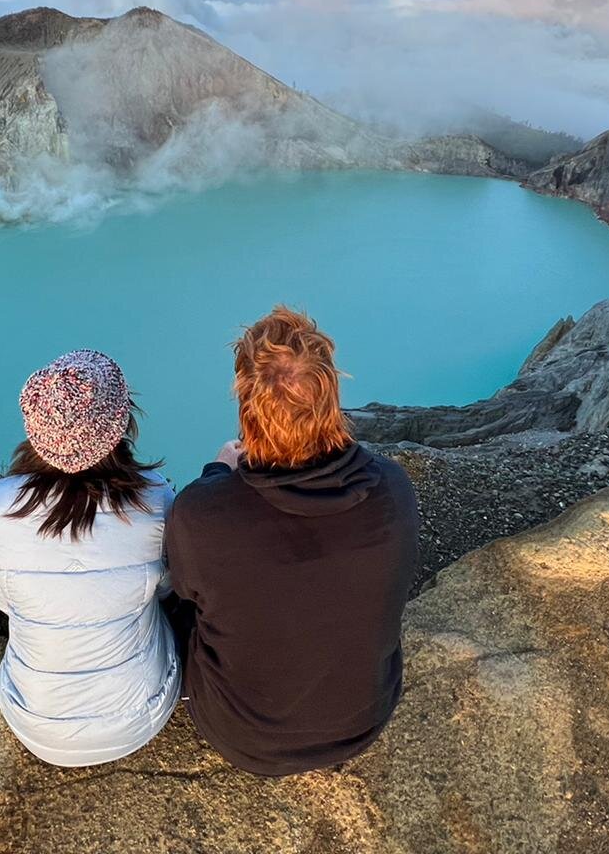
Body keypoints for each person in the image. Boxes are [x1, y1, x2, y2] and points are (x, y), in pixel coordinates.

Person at [165, 306, 420, 777]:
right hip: (361, 720)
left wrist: (218, 473)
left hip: (242, 735)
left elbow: (184, 591)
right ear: (332, 398)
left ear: (247, 407)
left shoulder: (204, 512)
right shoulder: (391, 487)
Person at [0, 349, 180, 767]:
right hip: (142, 715)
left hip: (34, 721)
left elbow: (1, 599)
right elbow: (168, 588)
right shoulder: (155, 500)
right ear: (121, 423)